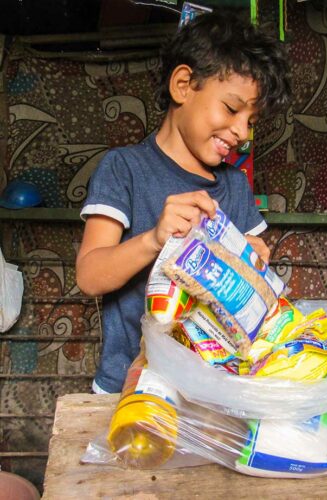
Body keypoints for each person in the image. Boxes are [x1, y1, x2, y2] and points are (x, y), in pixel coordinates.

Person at [76, 11, 292, 394]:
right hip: (130, 390)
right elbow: (90, 277)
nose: (242, 132)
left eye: (252, 121)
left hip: (213, 391)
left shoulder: (235, 186)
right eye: (231, 109)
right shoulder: (124, 169)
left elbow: (252, 294)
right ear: (183, 85)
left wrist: (253, 258)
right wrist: (154, 239)